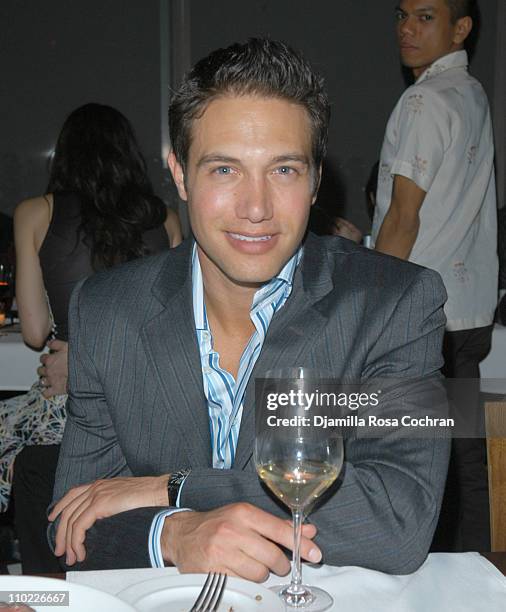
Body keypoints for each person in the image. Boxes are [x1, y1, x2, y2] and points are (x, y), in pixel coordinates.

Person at [49, 39, 449, 577]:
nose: (256, 208)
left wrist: (176, 490)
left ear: (314, 181)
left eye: (284, 170)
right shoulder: (106, 310)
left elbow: (400, 520)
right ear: (179, 174)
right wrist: (177, 533)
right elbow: (72, 521)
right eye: (224, 170)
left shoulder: (393, 303)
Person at [8, 102, 182, 573]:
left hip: (75, 401)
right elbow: (180, 331)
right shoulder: (165, 220)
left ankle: (31, 578)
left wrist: (81, 361)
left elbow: (34, 331)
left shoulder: (35, 213)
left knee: (20, 455)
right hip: (150, 404)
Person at [371, 0, 497, 551]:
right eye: (402, 15)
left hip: (422, 311)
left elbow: (404, 217)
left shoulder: (423, 100)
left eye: (425, 17)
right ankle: (478, 577)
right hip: (466, 310)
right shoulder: (472, 93)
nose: (406, 27)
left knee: (417, 464)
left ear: (460, 28)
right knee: (464, 457)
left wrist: (371, 309)